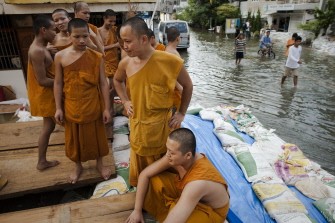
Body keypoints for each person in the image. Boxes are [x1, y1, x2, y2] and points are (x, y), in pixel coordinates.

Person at [113, 17, 193, 187]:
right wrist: (125, 102)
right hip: (138, 125)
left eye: (128, 41)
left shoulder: (169, 61)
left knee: (164, 170)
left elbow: (187, 85)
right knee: (141, 166)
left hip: (160, 128)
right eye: (122, 42)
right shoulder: (126, 63)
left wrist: (181, 113)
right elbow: (117, 81)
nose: (124, 46)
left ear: (143, 39)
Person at [126, 128, 230, 223]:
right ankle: (178, 206)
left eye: (171, 152)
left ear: (188, 155)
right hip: (188, 194)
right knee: (154, 180)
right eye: (167, 150)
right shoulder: (175, 157)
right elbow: (145, 175)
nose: (167, 155)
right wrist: (137, 210)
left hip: (210, 211)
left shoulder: (197, 183)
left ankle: (178, 207)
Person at [54, 18, 112, 184]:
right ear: (69, 35)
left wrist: (107, 108)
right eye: (77, 36)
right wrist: (58, 108)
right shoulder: (60, 56)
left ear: (89, 36)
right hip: (71, 104)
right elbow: (58, 83)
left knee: (98, 136)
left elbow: (103, 82)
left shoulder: (97, 56)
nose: (81, 40)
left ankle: (100, 164)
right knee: (74, 138)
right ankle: (77, 166)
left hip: (93, 103)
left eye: (85, 36)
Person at [27, 14, 59, 171]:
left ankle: (41, 161)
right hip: (46, 95)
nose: (56, 33)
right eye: (54, 30)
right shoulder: (37, 51)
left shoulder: (42, 48)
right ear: (43, 30)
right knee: (67, 122)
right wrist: (65, 83)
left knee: (48, 127)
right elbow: (42, 80)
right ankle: (79, 156)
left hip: (49, 94)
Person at [98, 9, 120, 121]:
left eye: (114, 21)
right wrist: (115, 45)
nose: (112, 24)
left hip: (115, 62)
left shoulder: (115, 30)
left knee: (114, 88)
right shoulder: (98, 32)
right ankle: (108, 109)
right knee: (108, 88)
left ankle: (110, 109)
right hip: (105, 62)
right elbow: (99, 49)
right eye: (110, 21)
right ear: (104, 19)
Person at [165, 26, 183, 111]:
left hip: (172, 88)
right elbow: (170, 74)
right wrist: (180, 87)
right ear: (177, 38)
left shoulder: (167, 50)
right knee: (174, 115)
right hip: (174, 89)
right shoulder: (172, 53)